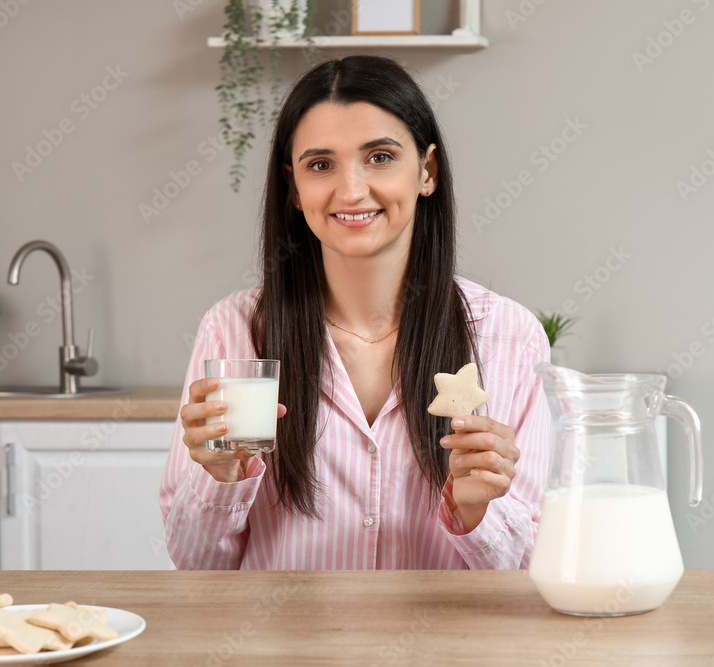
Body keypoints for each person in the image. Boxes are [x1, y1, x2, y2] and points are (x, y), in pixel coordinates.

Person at [159, 55, 550, 570]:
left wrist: (477, 510)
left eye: (380, 157)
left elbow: (530, 571)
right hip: (285, 649)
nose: (351, 190)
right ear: (295, 189)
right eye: (320, 165)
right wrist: (217, 478)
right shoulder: (234, 330)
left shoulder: (509, 335)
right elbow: (196, 565)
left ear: (427, 172)